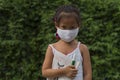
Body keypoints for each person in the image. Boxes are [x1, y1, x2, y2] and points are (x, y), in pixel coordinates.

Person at [42, 5, 92, 80]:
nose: (68, 31)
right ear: (56, 25)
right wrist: (64, 71)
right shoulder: (52, 48)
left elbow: (88, 74)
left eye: (72, 27)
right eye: (64, 27)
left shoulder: (82, 49)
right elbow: (45, 72)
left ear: (79, 25)